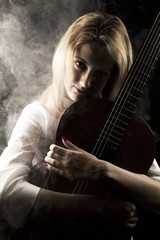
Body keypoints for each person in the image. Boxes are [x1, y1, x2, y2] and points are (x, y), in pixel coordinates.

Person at [0, 11, 159, 240]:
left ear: (113, 75)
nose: (85, 82)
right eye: (80, 64)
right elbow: (6, 192)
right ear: (65, 57)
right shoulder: (39, 115)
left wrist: (102, 169)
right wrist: (95, 206)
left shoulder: (121, 128)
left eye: (100, 73)